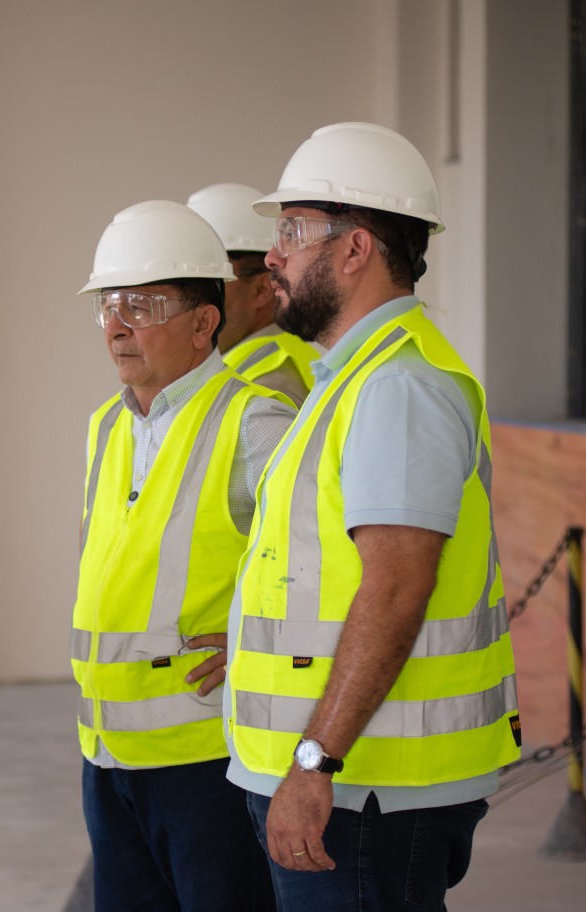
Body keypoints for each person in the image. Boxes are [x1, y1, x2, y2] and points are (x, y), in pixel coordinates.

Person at [222, 122, 521, 910]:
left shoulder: (398, 389)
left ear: (356, 249)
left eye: (291, 231)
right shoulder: (353, 381)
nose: (274, 256)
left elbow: (394, 590)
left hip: (368, 787)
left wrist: (315, 763)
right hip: (354, 779)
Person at [71, 199, 295, 911]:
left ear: (205, 322)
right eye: (109, 303)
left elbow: (331, 569)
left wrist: (259, 641)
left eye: (142, 304)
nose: (116, 323)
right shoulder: (107, 426)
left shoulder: (256, 423)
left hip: (206, 759)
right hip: (107, 755)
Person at [187, 183, 319, 405]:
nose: (190, 299)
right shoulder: (242, 373)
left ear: (262, 289)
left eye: (209, 281)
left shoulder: (267, 389)